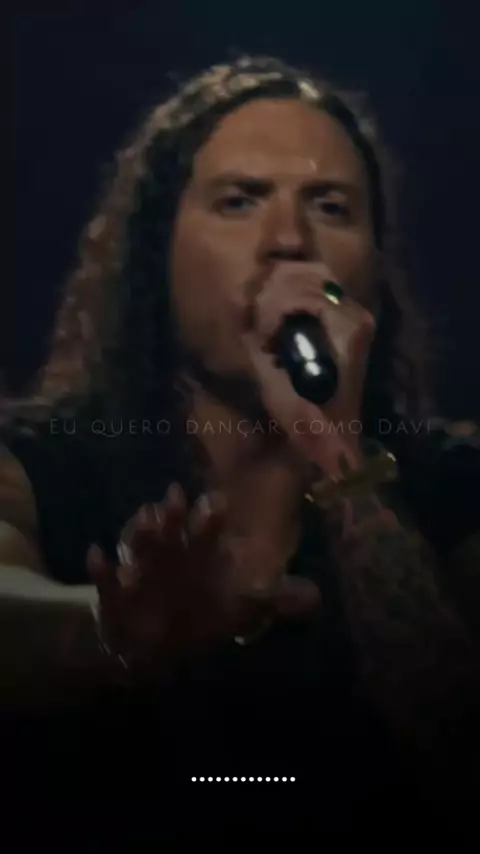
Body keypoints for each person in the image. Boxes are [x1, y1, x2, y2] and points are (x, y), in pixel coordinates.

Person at [1, 55, 479, 828]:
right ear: (159, 250)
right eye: (240, 201)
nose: (288, 241)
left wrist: (336, 453)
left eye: (330, 207)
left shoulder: (451, 480)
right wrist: (113, 630)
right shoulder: (41, 458)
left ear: (371, 266)